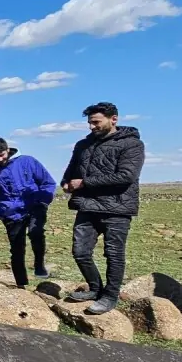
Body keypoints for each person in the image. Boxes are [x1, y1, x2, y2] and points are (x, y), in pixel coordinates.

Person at [61, 102, 145, 315]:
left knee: (114, 254)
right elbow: (72, 168)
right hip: (87, 206)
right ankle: (95, 288)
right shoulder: (83, 145)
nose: (92, 127)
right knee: (80, 252)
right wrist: (66, 182)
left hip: (117, 207)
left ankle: (110, 296)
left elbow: (126, 176)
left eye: (96, 122)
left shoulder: (132, 144)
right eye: (90, 123)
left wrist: (84, 183)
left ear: (113, 119)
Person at [0, 138, 57, 289]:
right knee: (16, 249)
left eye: (2, 154)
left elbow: (48, 183)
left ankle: (39, 264)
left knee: (36, 234)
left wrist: (43, 202)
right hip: (10, 214)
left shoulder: (28, 161)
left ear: (7, 149)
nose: (0, 159)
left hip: (35, 207)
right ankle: (21, 284)